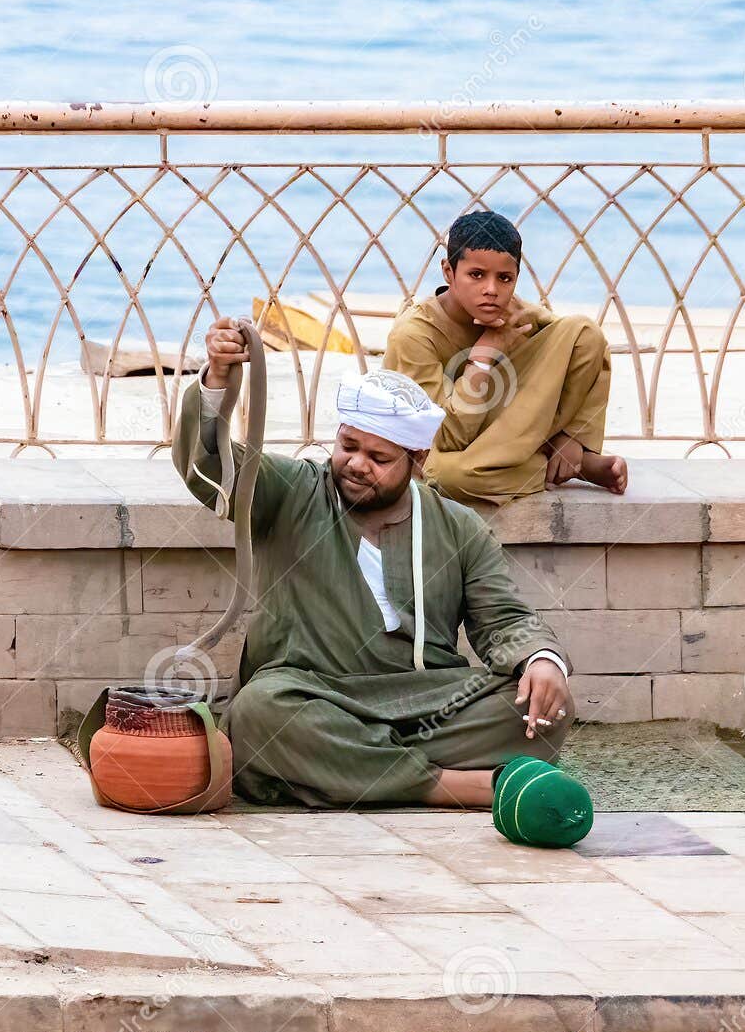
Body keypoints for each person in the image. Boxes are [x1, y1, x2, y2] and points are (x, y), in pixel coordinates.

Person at [172, 316, 575, 809]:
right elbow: (212, 468)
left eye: (379, 457)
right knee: (260, 711)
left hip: (427, 699)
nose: (358, 464)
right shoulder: (293, 491)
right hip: (313, 694)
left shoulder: (459, 526)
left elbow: (504, 621)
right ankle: (449, 785)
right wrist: (216, 377)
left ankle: (340, 770)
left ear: (417, 459)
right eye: (348, 447)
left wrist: (541, 660)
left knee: (545, 710)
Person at [382, 209, 628, 503]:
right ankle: (563, 467)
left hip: (503, 432)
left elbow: (578, 349)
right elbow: (446, 437)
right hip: (446, 447)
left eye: (504, 278)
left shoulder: (513, 313)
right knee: (444, 477)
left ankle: (567, 454)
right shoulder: (413, 335)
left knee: (583, 332)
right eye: (476, 275)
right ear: (449, 272)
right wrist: (486, 352)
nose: (491, 290)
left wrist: (576, 435)